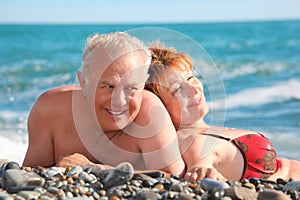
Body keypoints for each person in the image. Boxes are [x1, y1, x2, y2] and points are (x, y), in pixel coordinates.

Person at [22, 32, 186, 177]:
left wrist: (94, 169)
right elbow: (28, 176)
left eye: (132, 88)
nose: (119, 101)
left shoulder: (150, 113)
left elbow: (173, 177)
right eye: (108, 86)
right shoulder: (49, 110)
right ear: (84, 83)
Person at [145, 42, 300, 181]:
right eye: (178, 88)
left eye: (190, 78)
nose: (193, 88)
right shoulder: (191, 140)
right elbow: (200, 165)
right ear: (160, 106)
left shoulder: (201, 132)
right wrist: (202, 172)